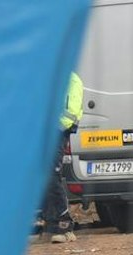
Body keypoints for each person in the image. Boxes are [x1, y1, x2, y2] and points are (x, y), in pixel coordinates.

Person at [40, 71, 82, 242]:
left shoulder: (71, 79)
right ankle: (50, 226)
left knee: (51, 176)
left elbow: (69, 113)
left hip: (57, 132)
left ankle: (65, 225)